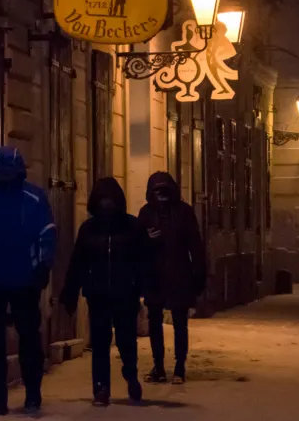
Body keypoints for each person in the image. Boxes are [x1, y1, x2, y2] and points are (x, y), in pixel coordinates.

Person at [0, 146, 55, 415]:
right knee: (9, 341)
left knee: (11, 341)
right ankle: (10, 397)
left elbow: (46, 234)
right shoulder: (28, 198)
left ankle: (23, 395)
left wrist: (43, 266)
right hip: (2, 279)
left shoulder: (29, 198)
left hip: (15, 279)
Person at [59, 177, 147, 407]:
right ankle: (101, 388)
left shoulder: (133, 227)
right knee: (99, 343)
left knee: (127, 341)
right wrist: (70, 292)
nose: (106, 205)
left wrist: (144, 288)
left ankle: (131, 376)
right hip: (98, 295)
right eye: (102, 200)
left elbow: (144, 261)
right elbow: (78, 262)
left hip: (125, 294)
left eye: (110, 201)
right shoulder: (88, 230)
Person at [138, 172, 206, 385]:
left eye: (164, 191)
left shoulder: (184, 213)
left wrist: (198, 275)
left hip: (179, 274)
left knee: (179, 322)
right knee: (155, 322)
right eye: (157, 191)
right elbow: (135, 244)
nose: (161, 195)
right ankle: (159, 366)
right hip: (154, 275)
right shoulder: (147, 213)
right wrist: (147, 240)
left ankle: (179, 367)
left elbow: (195, 245)